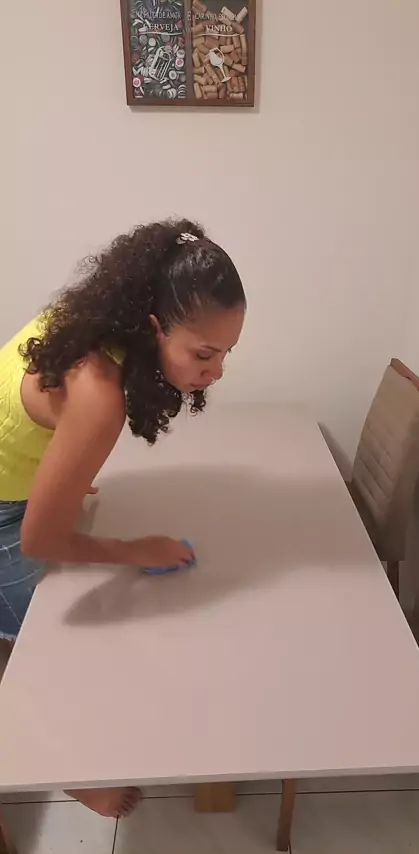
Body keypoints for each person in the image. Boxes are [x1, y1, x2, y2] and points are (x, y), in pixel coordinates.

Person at [0, 218, 246, 818]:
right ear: (155, 326)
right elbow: (40, 539)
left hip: (14, 482)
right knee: (46, 644)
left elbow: (32, 415)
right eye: (204, 354)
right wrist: (138, 550)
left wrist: (63, 474)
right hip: (8, 511)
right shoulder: (98, 394)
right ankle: (66, 772)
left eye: (226, 354)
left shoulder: (93, 325)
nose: (216, 371)